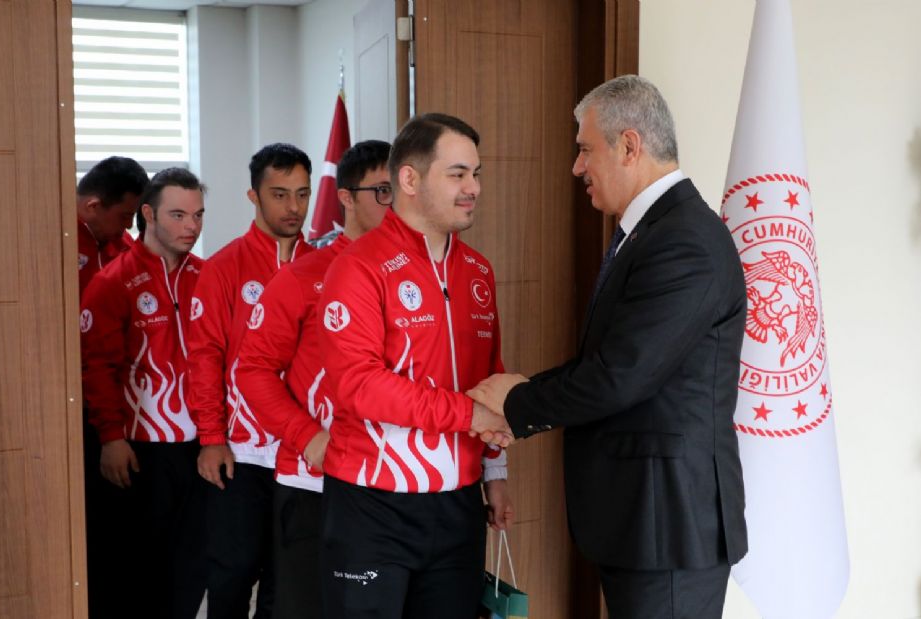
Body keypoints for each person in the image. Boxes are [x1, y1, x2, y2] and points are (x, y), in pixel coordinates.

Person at [468, 75, 749, 619]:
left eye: (583, 149)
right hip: (643, 522)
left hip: (667, 525)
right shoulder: (650, 232)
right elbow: (610, 364)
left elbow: (621, 376)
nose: (577, 167)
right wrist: (521, 394)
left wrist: (517, 404)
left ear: (628, 145)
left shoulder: (685, 240)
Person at [316, 114, 513, 619]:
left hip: (458, 506)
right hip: (372, 504)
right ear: (409, 179)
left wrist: (495, 470)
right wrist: (468, 416)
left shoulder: (478, 271)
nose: (474, 188)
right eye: (457, 174)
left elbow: (489, 378)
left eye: (477, 173)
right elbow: (359, 387)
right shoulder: (357, 267)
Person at [237, 139, 393, 618]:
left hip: (391, 485)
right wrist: (309, 437)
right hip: (313, 484)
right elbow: (252, 370)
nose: (396, 203)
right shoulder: (304, 277)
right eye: (382, 190)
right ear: (345, 196)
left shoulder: (412, 274)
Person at [187, 143, 314, 619]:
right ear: (253, 196)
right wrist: (212, 438)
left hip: (302, 453)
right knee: (233, 572)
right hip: (240, 453)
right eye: (279, 195)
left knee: (290, 579)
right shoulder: (224, 267)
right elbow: (205, 358)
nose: (294, 207)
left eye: (301, 194)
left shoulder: (325, 265)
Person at [80, 167, 208, 619]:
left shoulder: (207, 277)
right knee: (137, 572)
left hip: (198, 450)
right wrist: (111, 438)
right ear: (149, 214)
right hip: (139, 451)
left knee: (192, 567)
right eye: (178, 215)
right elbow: (98, 369)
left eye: (198, 215)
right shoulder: (112, 281)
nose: (191, 226)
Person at [75, 155, 149, 619]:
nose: (130, 229)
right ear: (93, 205)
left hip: (127, 408)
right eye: (124, 217)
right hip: (76, 405)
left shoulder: (124, 250)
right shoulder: (59, 242)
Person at [76, 156, 149, 296]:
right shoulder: (56, 245)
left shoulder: (125, 245)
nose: (129, 225)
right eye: (125, 216)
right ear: (93, 206)